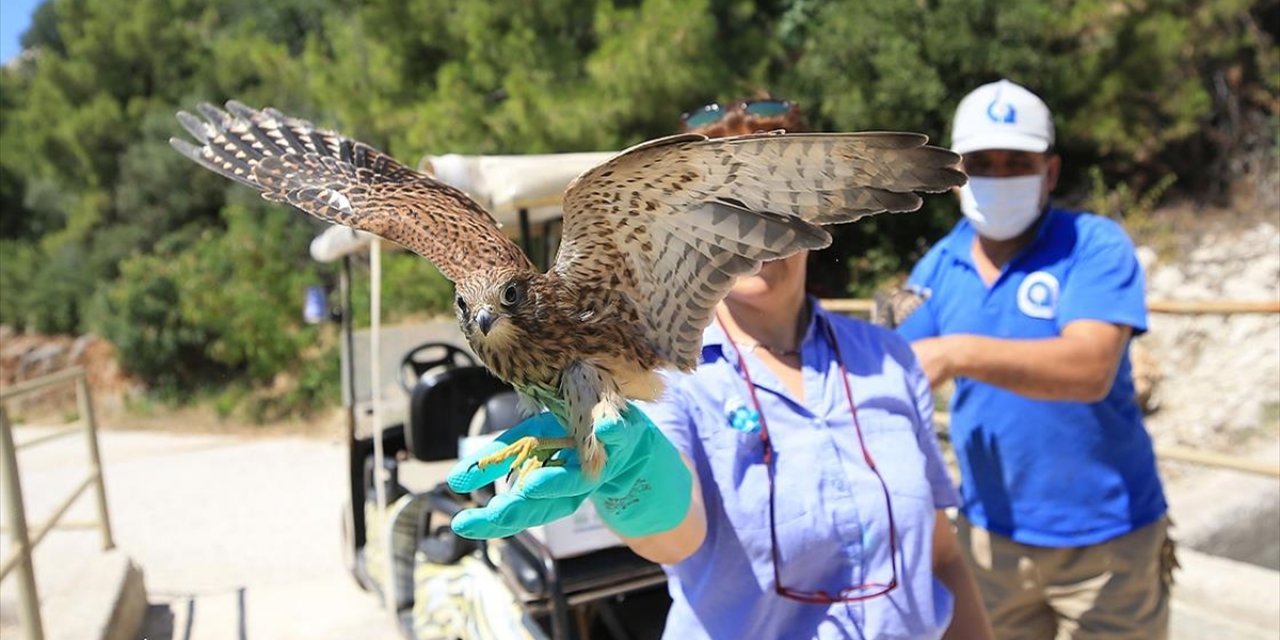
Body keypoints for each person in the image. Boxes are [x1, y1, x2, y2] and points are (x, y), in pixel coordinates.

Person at [447, 97, 992, 640]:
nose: (747, 233)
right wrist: (636, 488)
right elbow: (675, 537)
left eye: (760, 205)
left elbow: (940, 556)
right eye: (724, 209)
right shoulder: (664, 370)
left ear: (803, 207)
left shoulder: (888, 359)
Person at [896, 79, 1174, 639]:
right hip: (988, 543)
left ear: (1049, 172)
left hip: (1108, 544)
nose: (998, 177)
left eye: (1016, 162)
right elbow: (895, 372)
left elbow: (1090, 368)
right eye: (982, 163)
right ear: (956, 173)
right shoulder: (935, 269)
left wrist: (958, 353)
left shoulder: (1092, 245)